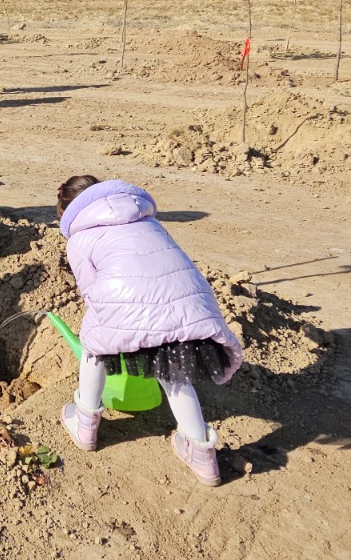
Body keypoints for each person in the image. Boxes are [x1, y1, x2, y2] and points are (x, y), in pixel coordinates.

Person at [54, 175, 244, 486]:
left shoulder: (79, 239)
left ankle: (86, 425)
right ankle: (202, 455)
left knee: (93, 347)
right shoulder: (149, 222)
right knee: (174, 372)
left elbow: (90, 293)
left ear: (68, 210)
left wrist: (118, 333)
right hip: (188, 305)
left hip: (127, 302)